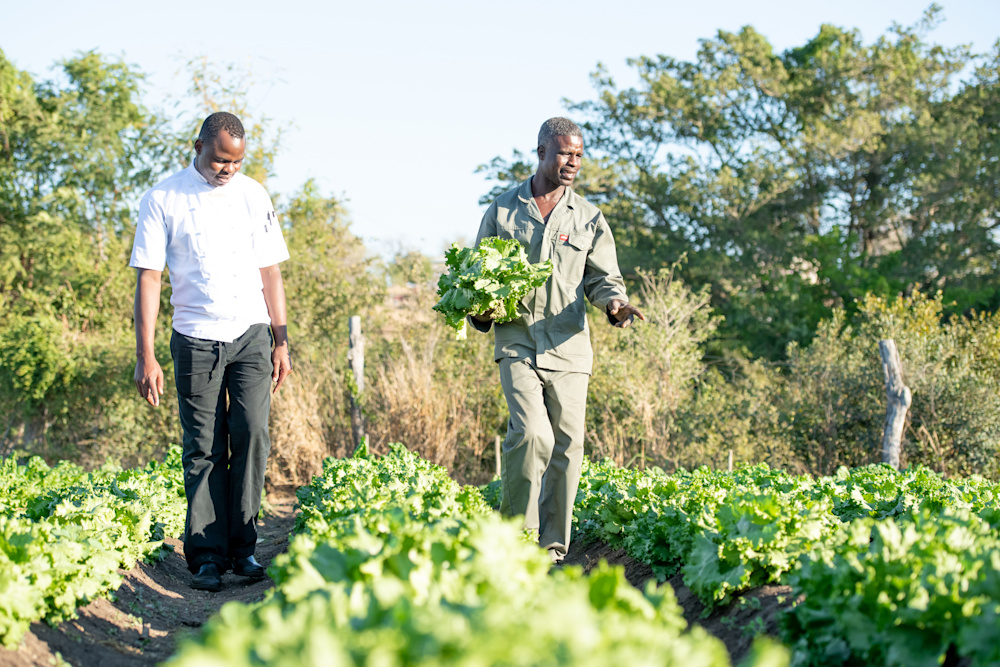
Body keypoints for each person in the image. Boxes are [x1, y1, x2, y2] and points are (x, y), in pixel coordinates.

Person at [130, 112, 292, 592]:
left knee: (252, 434)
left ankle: (243, 550)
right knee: (203, 446)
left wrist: (281, 341)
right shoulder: (162, 198)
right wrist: (145, 355)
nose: (229, 169)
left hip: (251, 335)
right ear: (197, 146)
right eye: (221, 159)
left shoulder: (254, 195)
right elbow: (149, 277)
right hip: (195, 336)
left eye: (237, 162)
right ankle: (205, 556)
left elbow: (271, 272)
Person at [471, 117, 644, 563]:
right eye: (566, 152)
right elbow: (475, 279)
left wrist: (615, 305)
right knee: (531, 434)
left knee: (568, 446)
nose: (574, 162)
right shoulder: (503, 211)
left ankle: (551, 548)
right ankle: (516, 540)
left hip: (569, 348)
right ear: (542, 152)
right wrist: (479, 310)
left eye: (579, 155)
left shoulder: (588, 218)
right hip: (518, 343)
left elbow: (604, 278)